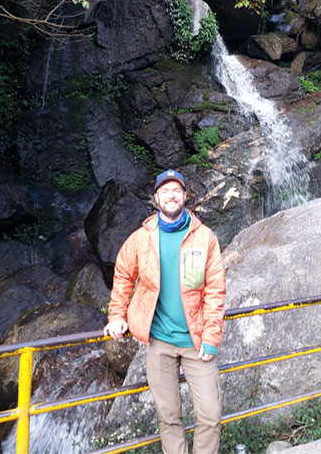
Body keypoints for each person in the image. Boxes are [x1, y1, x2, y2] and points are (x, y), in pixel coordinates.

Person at [103, 169, 226, 454]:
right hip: (158, 342)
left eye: (176, 191)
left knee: (210, 414)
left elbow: (215, 290)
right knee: (168, 417)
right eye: (165, 191)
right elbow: (123, 276)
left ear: (185, 196)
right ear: (156, 199)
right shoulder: (141, 239)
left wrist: (211, 336)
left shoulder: (204, 237)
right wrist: (117, 315)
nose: (171, 196)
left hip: (197, 342)